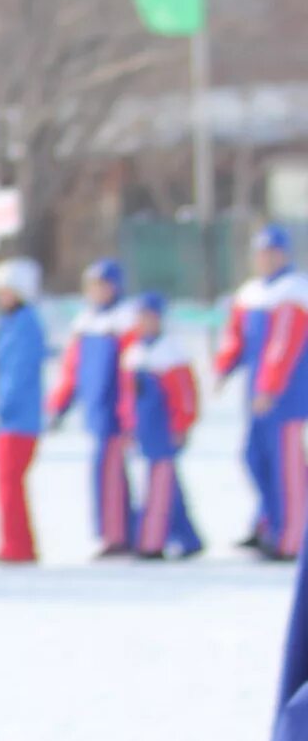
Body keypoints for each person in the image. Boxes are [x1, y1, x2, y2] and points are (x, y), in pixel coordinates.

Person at [211, 225, 307, 560]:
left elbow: (283, 347)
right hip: (257, 395)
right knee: (255, 458)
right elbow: (235, 336)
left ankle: (293, 539)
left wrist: (270, 387)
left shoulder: (292, 292)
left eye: (272, 253)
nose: (265, 260)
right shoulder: (251, 294)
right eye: (261, 253)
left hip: (286, 396)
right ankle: (269, 523)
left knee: (287, 466)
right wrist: (224, 367)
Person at [49, 258, 137, 556]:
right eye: (93, 286)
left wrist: (129, 414)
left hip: (115, 413)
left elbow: (130, 375)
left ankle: (119, 534)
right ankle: (114, 531)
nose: (98, 292)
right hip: (96, 411)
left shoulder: (124, 324)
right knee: (102, 472)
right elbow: (72, 370)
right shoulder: (86, 325)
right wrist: (59, 404)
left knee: (111, 472)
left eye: (104, 285)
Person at [121, 292, 206, 560]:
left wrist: (182, 424)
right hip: (145, 428)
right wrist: (128, 425)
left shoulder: (170, 352)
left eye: (150, 317)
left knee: (158, 484)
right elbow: (128, 397)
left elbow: (185, 394)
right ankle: (188, 538)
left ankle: (151, 541)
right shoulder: (134, 352)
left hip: (164, 428)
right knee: (169, 486)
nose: (145, 322)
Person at [0, 259, 48, 564]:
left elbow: (18, 372)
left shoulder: (26, 325)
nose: (2, 298)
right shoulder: (4, 324)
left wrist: (3, 406)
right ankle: (14, 541)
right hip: (3, 419)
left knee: (10, 483)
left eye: (8, 292)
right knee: (4, 483)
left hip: (18, 419)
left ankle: (18, 545)